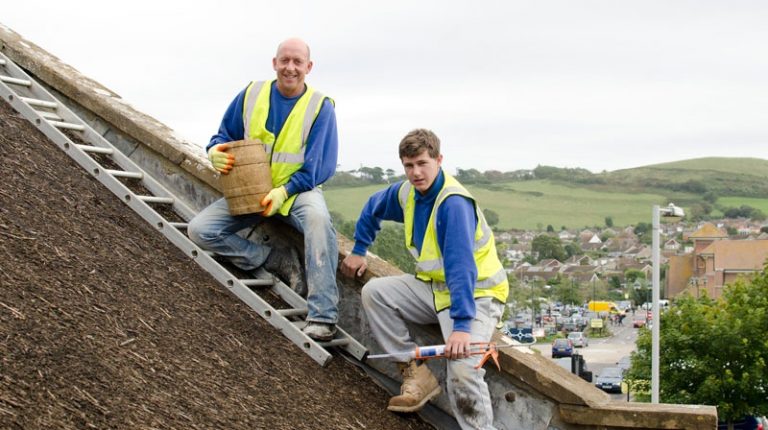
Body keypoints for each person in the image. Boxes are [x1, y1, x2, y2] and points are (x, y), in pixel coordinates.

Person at [341, 129, 509, 430]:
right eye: (408, 166)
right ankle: (416, 376)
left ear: (439, 160)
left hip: (477, 294)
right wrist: (358, 249)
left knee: (464, 369)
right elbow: (372, 207)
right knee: (376, 293)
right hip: (434, 288)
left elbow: (461, 269)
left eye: (422, 163)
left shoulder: (453, 204)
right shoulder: (407, 193)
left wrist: (460, 328)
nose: (415, 173)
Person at [188, 38, 339, 341]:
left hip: (298, 191)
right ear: (274, 63)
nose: (290, 67)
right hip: (252, 188)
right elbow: (224, 134)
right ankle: (272, 259)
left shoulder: (320, 107)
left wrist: (284, 191)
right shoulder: (251, 94)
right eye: (284, 60)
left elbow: (319, 167)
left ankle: (323, 315)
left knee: (319, 221)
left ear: (308, 67)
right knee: (200, 230)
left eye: (297, 62)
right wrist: (214, 150)